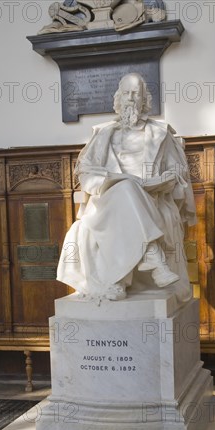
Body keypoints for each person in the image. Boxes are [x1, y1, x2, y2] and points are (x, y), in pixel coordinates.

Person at [57, 73, 197, 301]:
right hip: (106, 200)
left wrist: (161, 181)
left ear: (144, 99)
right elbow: (85, 172)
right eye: (126, 93)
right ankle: (152, 257)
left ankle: (117, 280)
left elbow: (177, 173)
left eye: (136, 93)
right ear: (118, 97)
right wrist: (117, 179)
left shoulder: (160, 134)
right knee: (126, 188)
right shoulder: (102, 134)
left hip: (152, 198)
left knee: (129, 191)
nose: (130, 98)